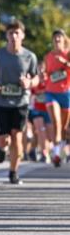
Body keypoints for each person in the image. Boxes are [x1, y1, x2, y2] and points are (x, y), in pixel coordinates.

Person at [0, 19, 38, 185]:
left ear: (22, 35)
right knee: (3, 140)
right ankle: (2, 148)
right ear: (6, 36)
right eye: (10, 33)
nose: (14, 36)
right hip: (2, 102)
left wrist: (29, 83)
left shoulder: (30, 56)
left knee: (17, 137)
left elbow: (36, 77)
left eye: (17, 33)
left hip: (21, 102)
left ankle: (13, 172)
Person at [44, 29, 70, 168]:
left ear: (64, 39)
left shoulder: (68, 54)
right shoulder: (48, 56)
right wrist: (44, 75)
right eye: (55, 37)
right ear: (53, 40)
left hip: (65, 93)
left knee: (64, 128)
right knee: (56, 122)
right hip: (51, 92)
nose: (57, 39)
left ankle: (60, 150)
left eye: (59, 37)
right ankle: (56, 154)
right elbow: (47, 73)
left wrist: (65, 63)